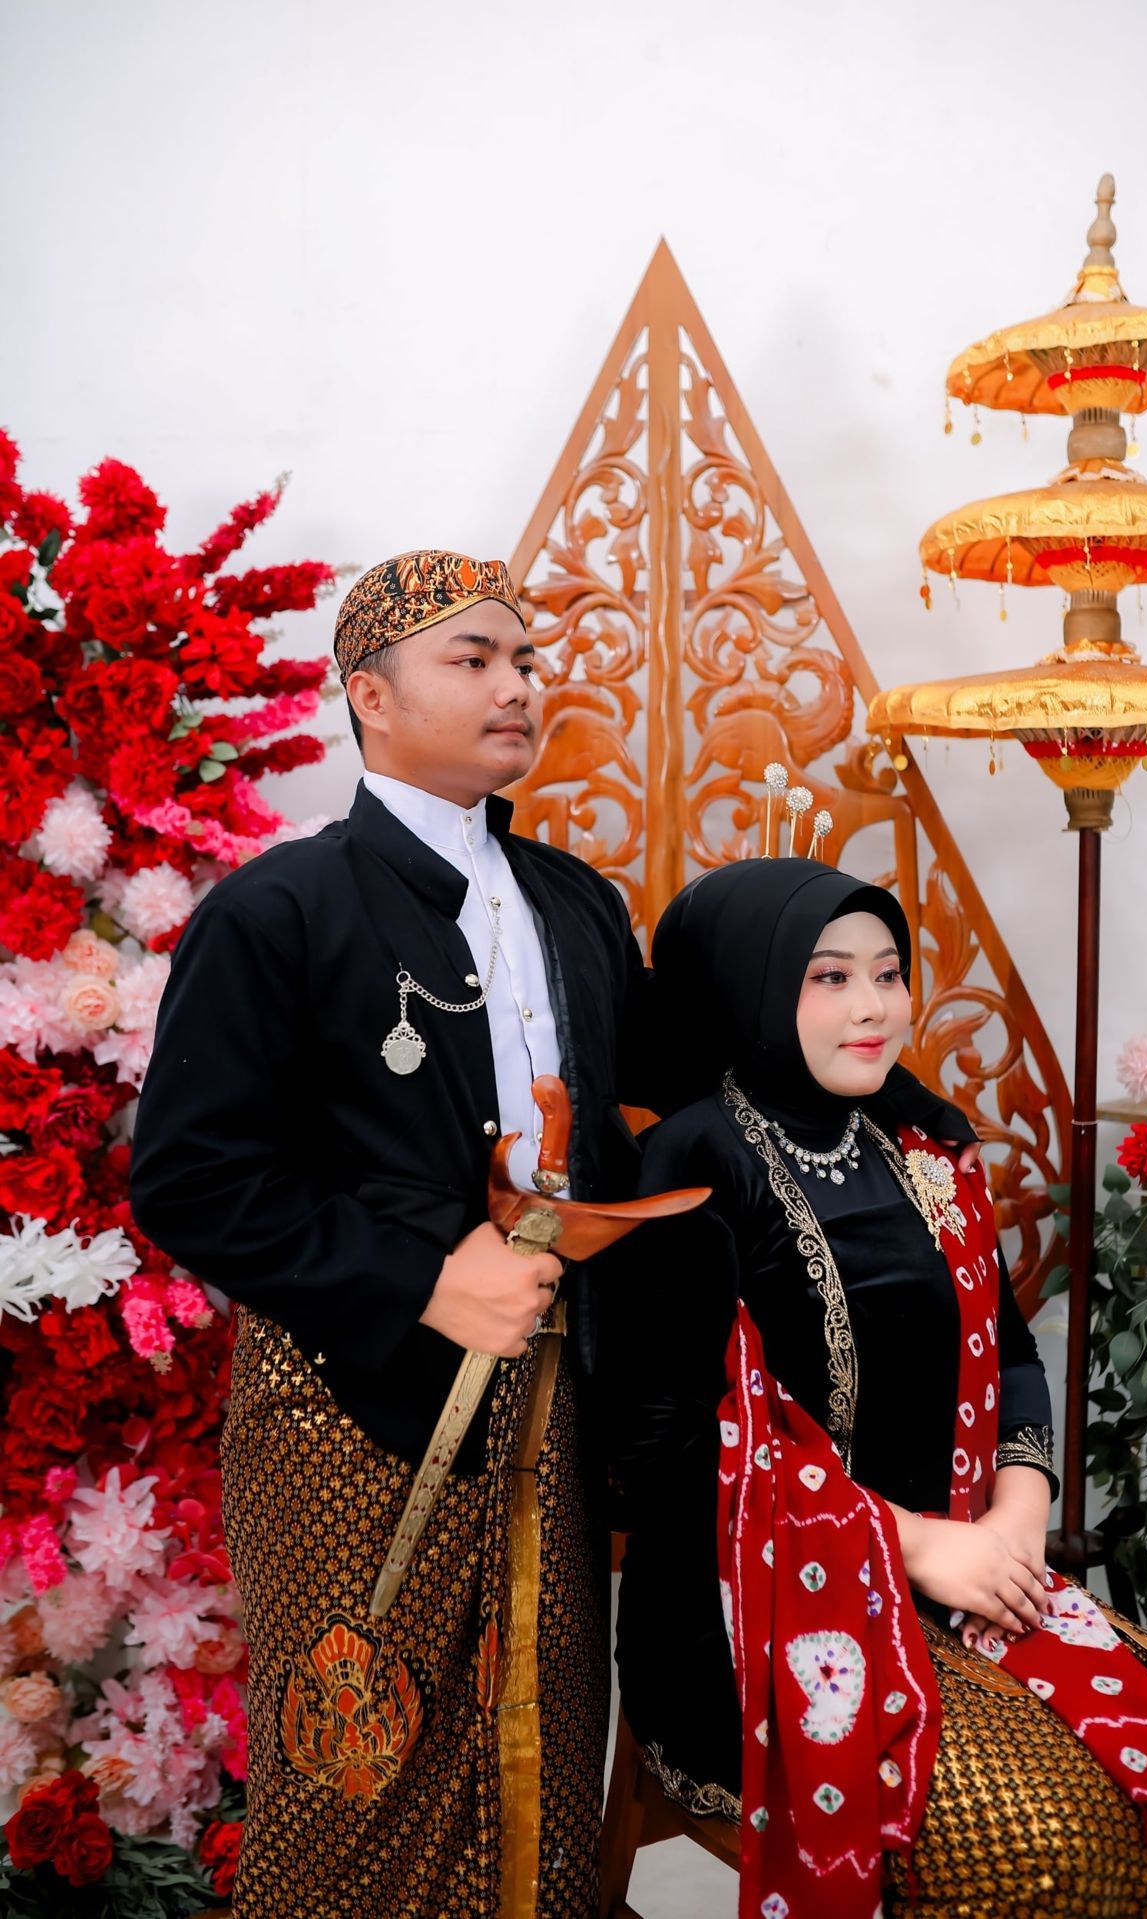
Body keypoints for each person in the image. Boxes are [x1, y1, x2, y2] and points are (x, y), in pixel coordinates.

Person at [130, 549, 974, 1919]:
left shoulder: (571, 900)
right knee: (360, 1767)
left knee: (541, 1748)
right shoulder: (277, 911)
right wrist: (420, 1277)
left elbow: (710, 1065)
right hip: (348, 1407)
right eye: (473, 660)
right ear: (371, 697)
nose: (517, 685)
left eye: (524, 659)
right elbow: (189, 1174)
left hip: (556, 1398)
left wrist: (897, 1090)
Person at [613, 857, 1147, 1919]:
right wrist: (916, 1545)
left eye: (888, 972)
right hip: (749, 1609)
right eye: (829, 976)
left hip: (963, 1560)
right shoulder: (695, 1161)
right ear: (750, 985)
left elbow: (1008, 1349)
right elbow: (669, 1449)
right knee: (1034, 1835)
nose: (873, 1007)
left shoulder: (918, 1137)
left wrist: (1016, 1512)